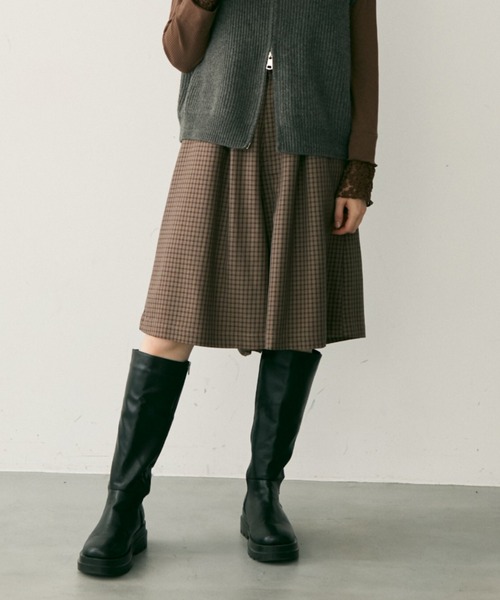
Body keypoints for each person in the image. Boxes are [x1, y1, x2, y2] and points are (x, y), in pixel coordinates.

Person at [77, 0, 378, 577]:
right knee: (170, 321)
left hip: (314, 138)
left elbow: (364, 59)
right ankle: (123, 505)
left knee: (296, 321)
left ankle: (263, 495)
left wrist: (358, 168)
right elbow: (179, 50)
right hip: (215, 132)